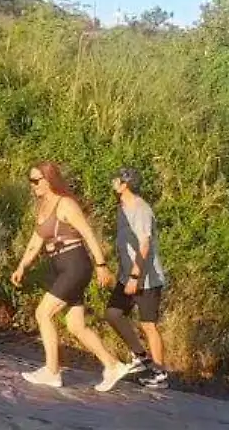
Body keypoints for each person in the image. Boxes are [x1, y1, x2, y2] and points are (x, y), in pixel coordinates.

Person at [11, 162, 128, 392]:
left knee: (43, 313)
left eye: (36, 180)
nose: (32, 185)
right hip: (61, 266)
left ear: (49, 180)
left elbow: (87, 233)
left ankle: (52, 371)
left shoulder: (66, 204)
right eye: (30, 181)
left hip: (75, 265)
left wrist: (101, 265)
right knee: (76, 326)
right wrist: (22, 266)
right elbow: (36, 242)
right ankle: (113, 365)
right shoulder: (44, 206)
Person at [105, 167, 169, 389]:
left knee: (148, 324)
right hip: (127, 275)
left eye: (117, 180)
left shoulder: (141, 209)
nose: (113, 183)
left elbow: (144, 245)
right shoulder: (121, 208)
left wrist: (135, 276)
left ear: (125, 185)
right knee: (113, 314)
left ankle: (160, 373)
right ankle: (141, 357)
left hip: (145, 278)